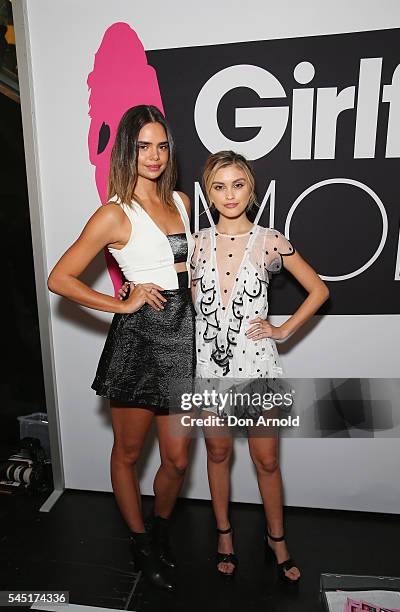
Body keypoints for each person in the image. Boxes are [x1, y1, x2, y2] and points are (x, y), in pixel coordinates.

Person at [48, 105, 196, 591]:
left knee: (176, 458)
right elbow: (60, 279)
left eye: (161, 145)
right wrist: (123, 303)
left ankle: (159, 530)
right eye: (142, 146)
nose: (153, 156)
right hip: (139, 341)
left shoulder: (180, 200)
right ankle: (139, 542)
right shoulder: (115, 212)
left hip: (184, 335)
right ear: (128, 151)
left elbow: (189, 273)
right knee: (129, 452)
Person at [191, 150, 329, 582]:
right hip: (210, 368)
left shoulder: (270, 240)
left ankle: (277, 538)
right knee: (217, 452)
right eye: (219, 186)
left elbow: (318, 290)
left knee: (266, 459)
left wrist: (282, 330)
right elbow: (183, 302)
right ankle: (225, 534)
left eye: (237, 184)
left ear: (251, 189)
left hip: (259, 367)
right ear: (208, 194)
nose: (229, 194)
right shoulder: (195, 243)